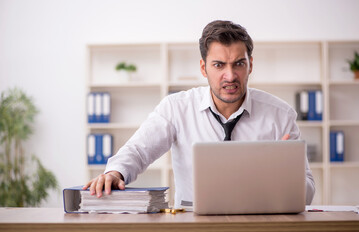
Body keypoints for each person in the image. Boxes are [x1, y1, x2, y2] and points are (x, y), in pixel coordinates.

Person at [83, 20, 315, 207]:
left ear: (250, 65)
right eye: (219, 65)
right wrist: (115, 172)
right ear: (203, 68)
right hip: (192, 222)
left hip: (259, 223)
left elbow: (307, 193)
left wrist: (282, 173)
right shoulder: (176, 108)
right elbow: (138, 150)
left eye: (238, 64)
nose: (230, 75)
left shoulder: (281, 115)